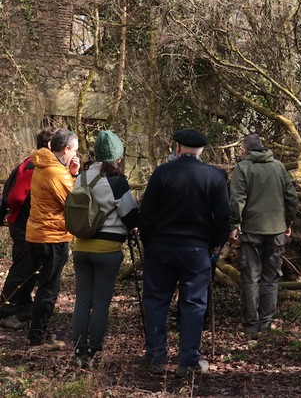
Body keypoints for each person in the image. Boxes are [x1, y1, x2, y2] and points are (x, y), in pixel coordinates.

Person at [139, 129, 229, 376]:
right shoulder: (214, 176)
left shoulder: (162, 173)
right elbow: (222, 217)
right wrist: (214, 244)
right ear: (201, 151)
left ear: (178, 148)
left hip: (161, 247)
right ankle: (188, 360)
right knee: (193, 304)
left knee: (156, 301)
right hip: (196, 249)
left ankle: (156, 357)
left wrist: (149, 241)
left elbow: (146, 214)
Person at [71, 130, 139, 368]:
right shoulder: (117, 181)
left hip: (81, 247)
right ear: (116, 157)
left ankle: (79, 349)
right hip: (107, 249)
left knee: (82, 301)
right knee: (100, 302)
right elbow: (130, 215)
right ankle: (94, 349)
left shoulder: (81, 176)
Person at [229, 133, 299, 334]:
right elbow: (291, 197)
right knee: (271, 277)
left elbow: (237, 199)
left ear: (246, 150)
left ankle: (251, 324)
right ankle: (266, 323)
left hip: (251, 230)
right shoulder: (278, 166)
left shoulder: (243, 168)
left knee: (251, 276)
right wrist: (288, 222)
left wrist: (234, 224)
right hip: (277, 230)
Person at [25, 128, 80, 350]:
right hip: (51, 236)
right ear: (66, 149)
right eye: (74, 150)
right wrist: (73, 175)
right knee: (49, 288)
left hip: (38, 233)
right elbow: (74, 202)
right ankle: (37, 338)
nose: (76, 153)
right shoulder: (56, 172)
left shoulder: (44, 165)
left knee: (44, 285)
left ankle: (39, 333)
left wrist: (72, 173)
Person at [0, 127, 54, 330]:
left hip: (27, 224)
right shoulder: (33, 165)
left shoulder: (34, 162)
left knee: (34, 268)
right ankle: (6, 312)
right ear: (50, 145)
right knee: (22, 269)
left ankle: (22, 304)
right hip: (23, 225)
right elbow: (14, 197)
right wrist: (16, 213)